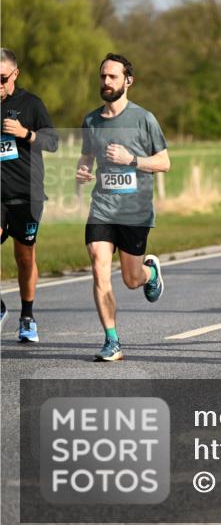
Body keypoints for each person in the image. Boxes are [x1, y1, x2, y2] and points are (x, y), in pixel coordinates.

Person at [75, 53, 170, 361]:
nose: (106, 82)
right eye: (103, 76)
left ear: (128, 81)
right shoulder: (91, 121)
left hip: (135, 210)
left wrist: (132, 159)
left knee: (130, 279)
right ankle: (112, 340)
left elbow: (164, 163)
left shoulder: (144, 119)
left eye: (113, 77)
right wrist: (83, 172)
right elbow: (87, 158)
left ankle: (149, 274)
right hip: (102, 207)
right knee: (98, 265)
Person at [1, 48, 59, 341]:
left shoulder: (31, 104)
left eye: (1, 79)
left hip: (27, 194)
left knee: (25, 258)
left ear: (15, 74)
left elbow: (52, 142)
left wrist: (25, 133)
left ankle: (27, 316)